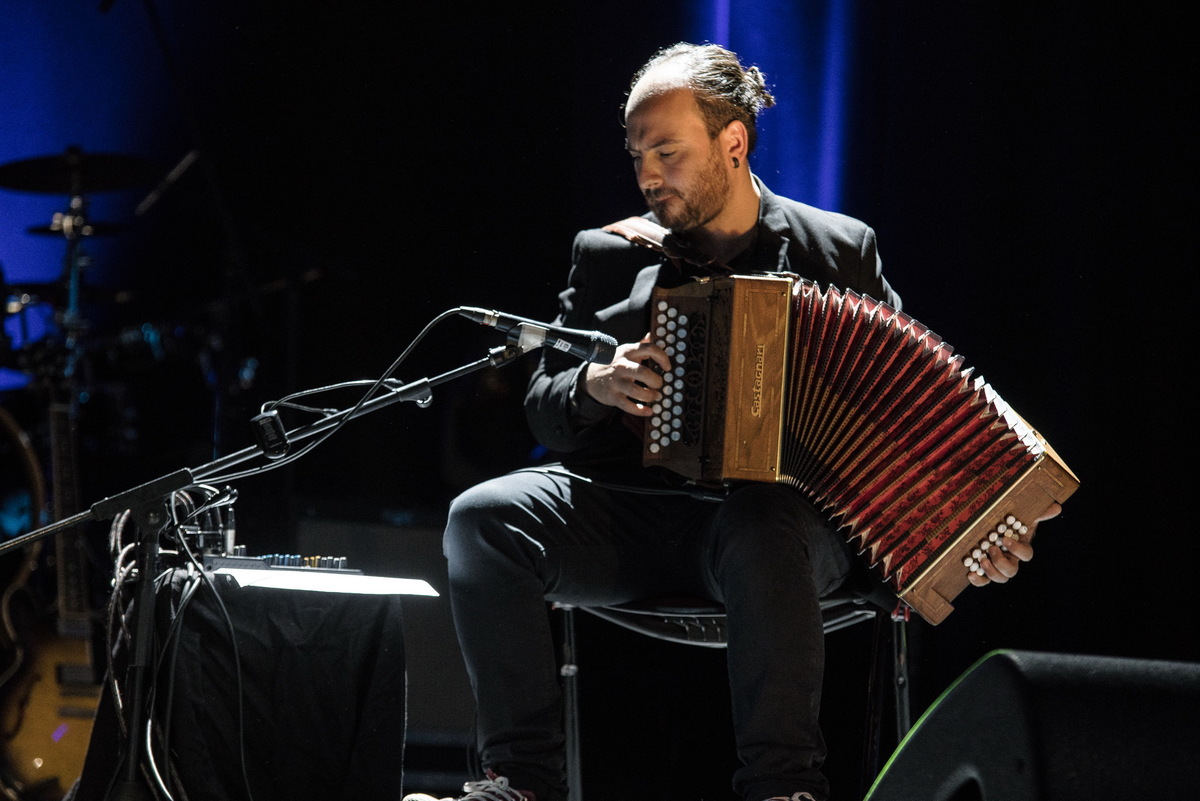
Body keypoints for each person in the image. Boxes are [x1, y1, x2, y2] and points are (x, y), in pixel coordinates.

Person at [403, 42, 1043, 801]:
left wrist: (969, 530)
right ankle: (521, 783)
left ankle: (782, 789)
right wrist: (595, 385)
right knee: (481, 518)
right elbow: (544, 403)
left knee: (761, 515)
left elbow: (912, 412)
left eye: (667, 152)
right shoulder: (609, 256)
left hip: (784, 540)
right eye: (637, 155)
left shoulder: (838, 249)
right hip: (639, 518)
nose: (647, 175)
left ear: (732, 142)